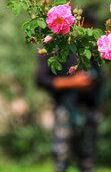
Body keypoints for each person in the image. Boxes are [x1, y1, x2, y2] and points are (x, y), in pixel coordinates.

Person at [36, 10, 103, 172]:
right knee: (61, 158)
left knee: (87, 160)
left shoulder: (92, 49)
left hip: (88, 109)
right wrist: (72, 82)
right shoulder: (55, 46)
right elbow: (41, 79)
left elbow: (101, 80)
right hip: (65, 109)